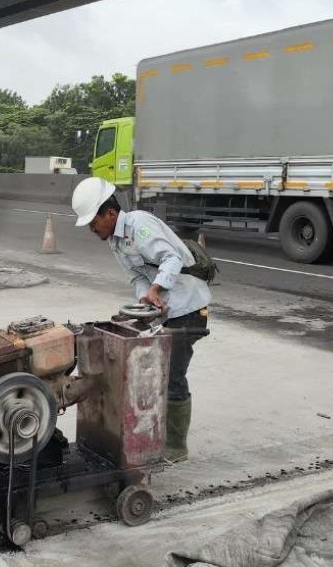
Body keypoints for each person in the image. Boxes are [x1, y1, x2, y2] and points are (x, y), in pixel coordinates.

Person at [71, 177, 211, 463]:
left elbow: (172, 258)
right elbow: (137, 277)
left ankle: (176, 447)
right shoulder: (115, 241)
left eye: (92, 222)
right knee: (148, 371)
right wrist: (144, 301)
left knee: (172, 376)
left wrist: (156, 288)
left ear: (110, 213)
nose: (91, 229)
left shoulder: (139, 225)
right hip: (163, 311)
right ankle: (151, 433)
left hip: (187, 308)